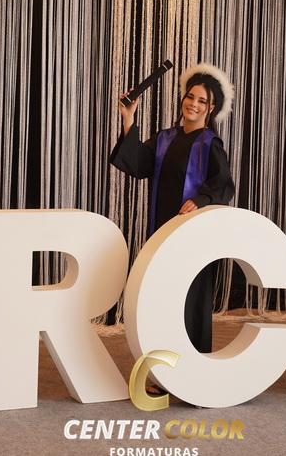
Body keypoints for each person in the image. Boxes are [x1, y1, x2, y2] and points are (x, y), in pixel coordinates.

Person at [110, 62, 235, 355]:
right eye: (190, 96)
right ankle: (164, 362)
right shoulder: (165, 138)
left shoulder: (210, 144)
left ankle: (193, 364)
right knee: (164, 293)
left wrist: (201, 200)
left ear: (211, 108)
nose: (193, 104)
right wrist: (129, 119)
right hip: (162, 229)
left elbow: (223, 185)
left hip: (193, 234)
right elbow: (138, 164)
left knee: (190, 296)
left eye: (202, 100)